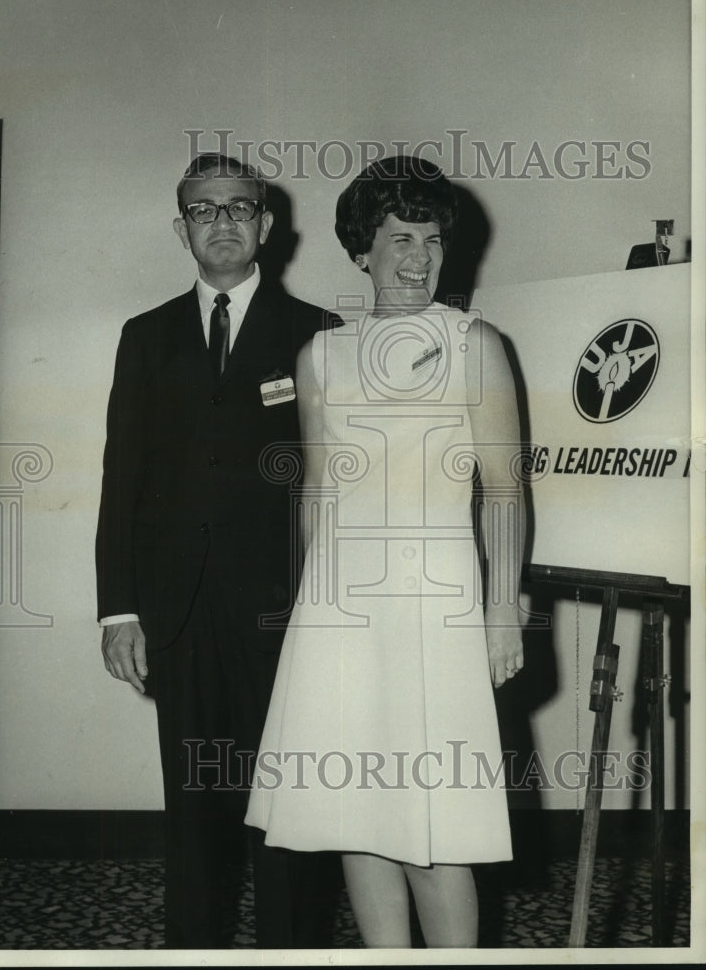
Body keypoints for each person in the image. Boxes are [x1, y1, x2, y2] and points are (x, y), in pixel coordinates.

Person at [245, 155, 525, 948]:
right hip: (342, 613)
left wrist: (502, 609)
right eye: (399, 237)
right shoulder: (322, 357)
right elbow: (318, 494)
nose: (417, 256)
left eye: (431, 239)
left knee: (431, 829)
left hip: (436, 609)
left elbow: (504, 489)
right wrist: (310, 614)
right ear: (362, 250)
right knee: (355, 817)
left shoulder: (474, 344)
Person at [96, 153, 338, 948]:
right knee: (195, 811)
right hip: (178, 615)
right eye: (205, 210)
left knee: (287, 807)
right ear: (182, 229)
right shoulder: (146, 337)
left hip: (285, 613)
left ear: (266, 225)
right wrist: (119, 609)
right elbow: (120, 478)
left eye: (240, 208)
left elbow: (340, 488)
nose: (224, 222)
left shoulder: (317, 336)